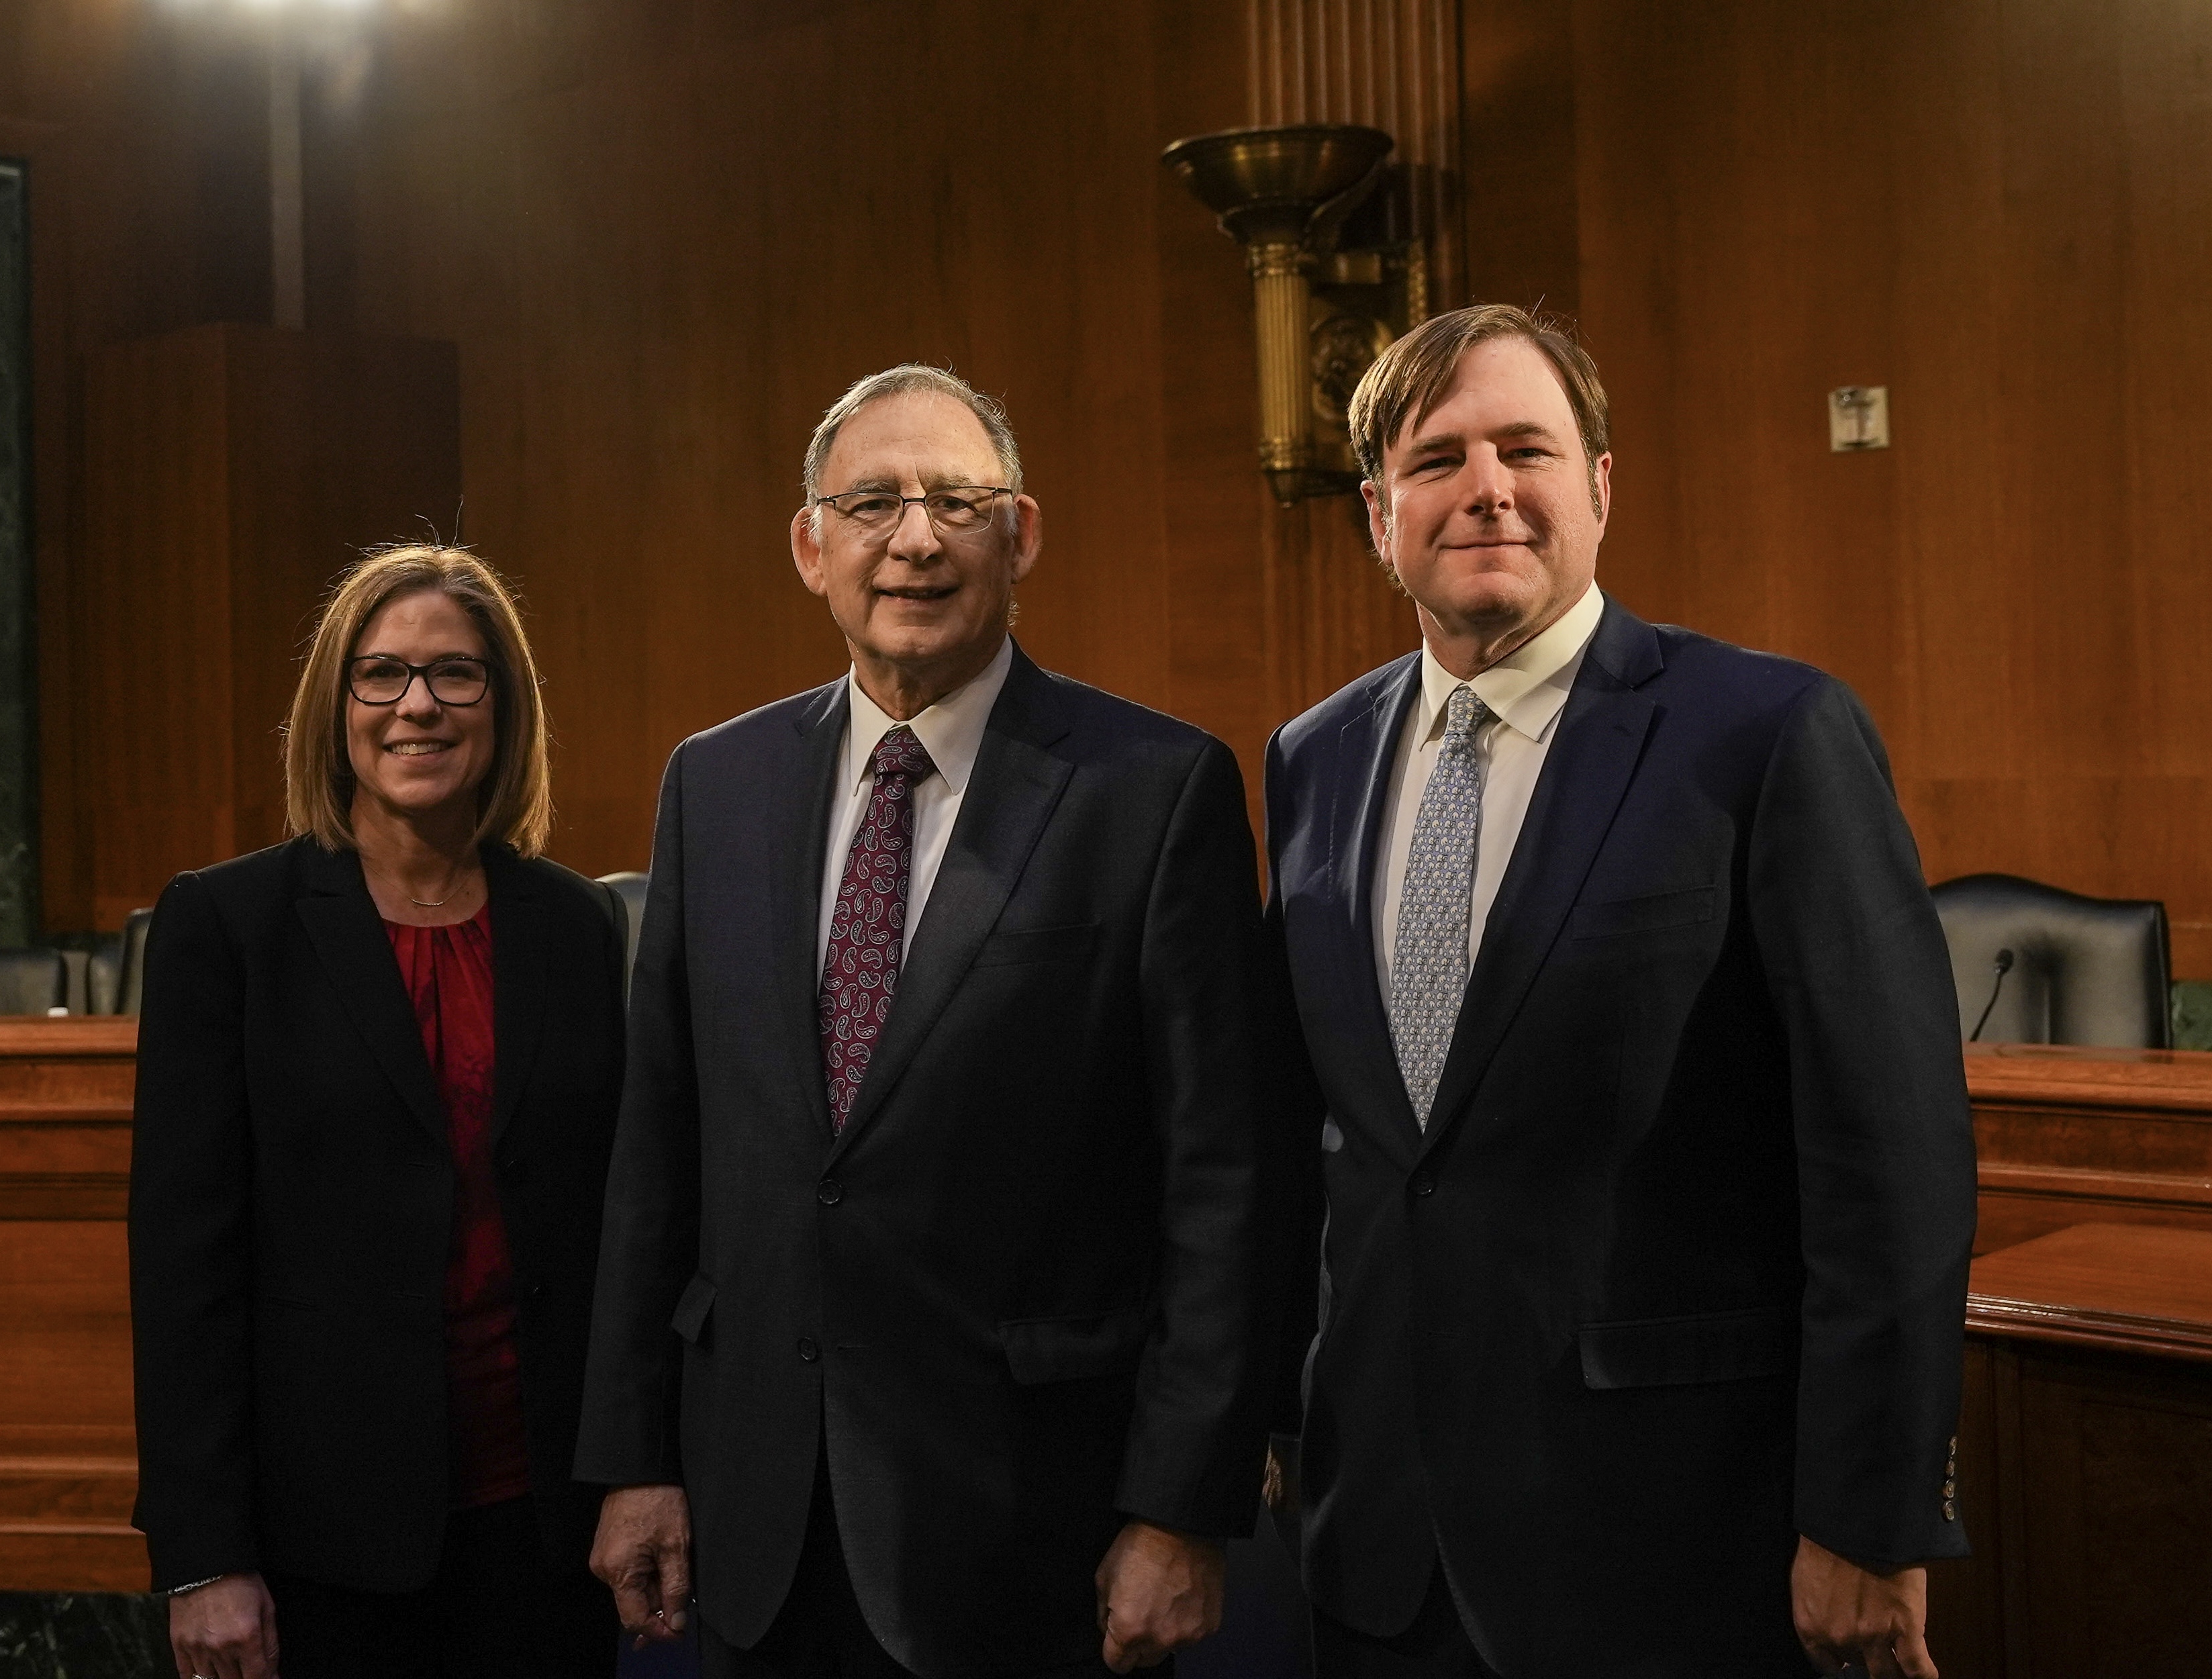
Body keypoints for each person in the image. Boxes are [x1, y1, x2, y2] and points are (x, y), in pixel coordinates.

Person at [1259, 305, 1976, 1678]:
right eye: (1438, 457)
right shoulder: (1313, 759)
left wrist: (1873, 1516)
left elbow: (1890, 1161)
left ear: (1599, 485)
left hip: (1674, 1539)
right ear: (1376, 511)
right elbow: (1337, 1147)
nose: (1486, 488)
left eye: (1527, 447)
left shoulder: (1764, 734)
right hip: (1381, 1544)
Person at [573, 365, 1269, 1677]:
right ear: (810, 545)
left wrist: (1181, 1507)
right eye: (875, 500)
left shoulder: (1152, 792)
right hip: (758, 1515)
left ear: (1023, 535)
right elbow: (657, 1151)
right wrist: (634, 1457)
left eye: (959, 500)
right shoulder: (714, 786)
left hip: (1035, 1530)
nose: (915, 538)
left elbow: (1223, 1184)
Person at [128, 546, 630, 1679]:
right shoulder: (228, 926)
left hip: (545, 1524)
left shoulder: (577, 926)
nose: (418, 704)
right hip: (321, 1541)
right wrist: (203, 1555)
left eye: (456, 674)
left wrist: (639, 1474)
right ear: (336, 704)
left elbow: (617, 1227)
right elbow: (183, 1268)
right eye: (383, 673)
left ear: (502, 705)